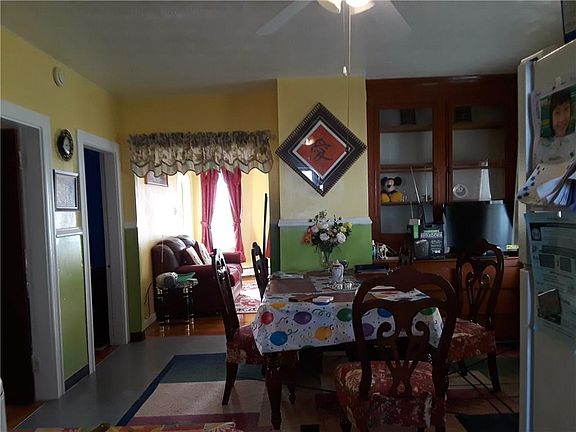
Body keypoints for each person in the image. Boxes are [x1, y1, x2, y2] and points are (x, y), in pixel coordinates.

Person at [533, 87, 576, 166]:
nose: (562, 119)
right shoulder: (542, 147)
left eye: (566, 109)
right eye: (557, 112)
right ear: (551, 116)